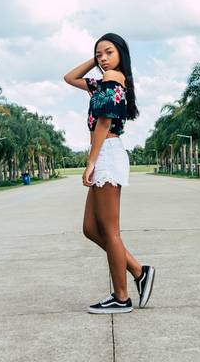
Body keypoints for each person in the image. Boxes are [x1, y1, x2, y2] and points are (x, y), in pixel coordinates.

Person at [63, 33, 155, 314]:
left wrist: (91, 162)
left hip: (107, 154)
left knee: (110, 231)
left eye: (109, 52)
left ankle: (121, 297)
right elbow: (69, 77)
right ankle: (139, 271)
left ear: (121, 54)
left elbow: (104, 122)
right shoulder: (103, 82)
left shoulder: (114, 79)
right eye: (98, 53)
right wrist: (95, 61)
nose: (103, 58)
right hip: (104, 153)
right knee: (91, 229)